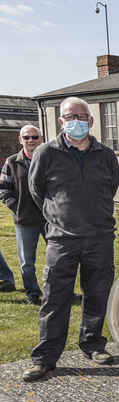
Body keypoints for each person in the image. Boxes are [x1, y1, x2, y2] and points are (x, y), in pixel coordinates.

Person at [23, 96, 119, 381]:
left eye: (81, 116)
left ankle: (92, 344)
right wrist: (60, 216)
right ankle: (45, 358)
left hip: (100, 237)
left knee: (97, 294)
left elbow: (112, 187)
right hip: (61, 240)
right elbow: (36, 190)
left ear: (90, 121)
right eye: (69, 117)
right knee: (54, 298)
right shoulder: (46, 153)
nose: (75, 121)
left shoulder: (104, 155)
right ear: (60, 121)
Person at [0, 124, 45, 302]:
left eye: (34, 137)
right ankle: (32, 293)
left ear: (41, 139)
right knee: (26, 262)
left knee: (59, 259)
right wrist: (17, 208)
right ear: (20, 140)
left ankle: (58, 291)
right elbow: (3, 190)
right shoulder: (11, 162)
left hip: (51, 219)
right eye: (26, 137)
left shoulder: (50, 159)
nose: (30, 140)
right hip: (24, 221)